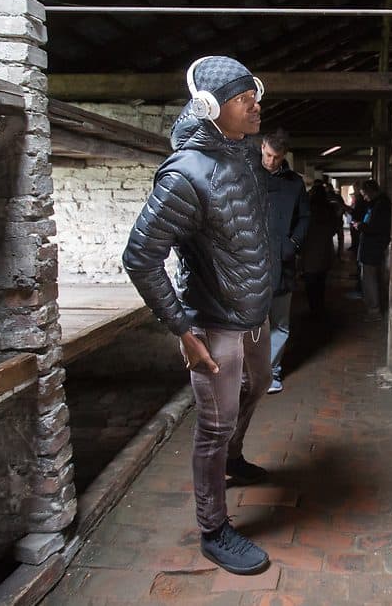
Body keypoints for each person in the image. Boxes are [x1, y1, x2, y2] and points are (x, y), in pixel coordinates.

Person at [122, 55, 272, 576]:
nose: (255, 104)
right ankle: (213, 529)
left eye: (254, 92)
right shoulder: (184, 176)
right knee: (214, 423)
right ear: (211, 109)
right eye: (242, 99)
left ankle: (232, 462)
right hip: (212, 321)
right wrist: (183, 330)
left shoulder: (243, 153)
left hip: (253, 315)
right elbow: (140, 256)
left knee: (259, 385)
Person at [261, 129, 309, 394]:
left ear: (284, 156)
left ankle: (272, 373)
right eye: (267, 155)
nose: (271, 162)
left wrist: (293, 246)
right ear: (262, 148)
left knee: (280, 323)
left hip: (283, 263)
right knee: (252, 324)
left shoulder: (294, 183)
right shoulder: (249, 176)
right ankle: (252, 373)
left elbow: (304, 217)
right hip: (250, 264)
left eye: (277, 158)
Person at [352, 179, 392, 322]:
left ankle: (374, 310)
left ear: (370, 191)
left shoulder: (381, 205)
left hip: (373, 247)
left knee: (370, 280)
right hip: (371, 247)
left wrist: (360, 226)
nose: (364, 197)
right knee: (368, 278)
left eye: (364, 194)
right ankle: (372, 308)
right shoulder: (378, 203)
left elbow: (376, 228)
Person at [301, 185, 340, 316]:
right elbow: (335, 227)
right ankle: (320, 306)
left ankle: (313, 307)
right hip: (324, 248)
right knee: (321, 280)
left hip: (309, 248)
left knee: (310, 281)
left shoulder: (306, 207)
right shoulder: (329, 208)